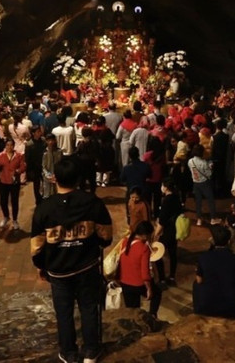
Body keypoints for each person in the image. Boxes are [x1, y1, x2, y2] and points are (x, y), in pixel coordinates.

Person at [31, 157, 113, 363]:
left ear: (55, 179)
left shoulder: (45, 208)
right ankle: (91, 351)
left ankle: (68, 352)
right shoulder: (92, 202)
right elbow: (106, 236)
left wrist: (41, 266)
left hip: (59, 271)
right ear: (78, 178)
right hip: (87, 266)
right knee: (88, 307)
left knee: (64, 312)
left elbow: (37, 246)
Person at [193, 225, 235, 321]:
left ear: (213, 241)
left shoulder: (203, 257)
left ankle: (197, 310)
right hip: (232, 308)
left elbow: (199, 280)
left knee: (196, 283)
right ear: (229, 241)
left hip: (206, 307)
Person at [117, 220, 163, 318]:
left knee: (132, 311)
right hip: (137, 284)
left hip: (124, 282)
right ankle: (152, 315)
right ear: (145, 235)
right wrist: (149, 289)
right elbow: (145, 273)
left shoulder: (125, 241)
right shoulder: (144, 248)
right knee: (157, 293)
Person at [155, 181, 183, 284]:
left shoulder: (166, 201)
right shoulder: (177, 198)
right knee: (172, 254)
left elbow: (162, 220)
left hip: (167, 231)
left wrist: (156, 234)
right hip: (175, 230)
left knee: (157, 254)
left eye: (162, 185)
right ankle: (172, 277)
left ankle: (162, 278)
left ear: (166, 187)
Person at [0, 139, 26, 231]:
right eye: (7, 145)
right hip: (3, 181)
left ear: (14, 146)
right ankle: (6, 216)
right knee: (3, 201)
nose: (9, 147)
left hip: (14, 183)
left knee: (14, 202)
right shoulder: (1, 155)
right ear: (5, 146)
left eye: (11, 145)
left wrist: (18, 171)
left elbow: (23, 167)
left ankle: (15, 220)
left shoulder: (19, 156)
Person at [189, 144, 217, 226]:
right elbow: (209, 174)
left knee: (198, 201)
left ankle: (199, 219)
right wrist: (210, 167)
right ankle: (213, 218)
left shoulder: (190, 161)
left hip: (195, 182)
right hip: (204, 183)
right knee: (210, 200)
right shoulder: (204, 162)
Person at [25, 125, 46, 207]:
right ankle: (38, 200)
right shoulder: (29, 144)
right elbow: (27, 158)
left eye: (40, 131)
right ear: (33, 133)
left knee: (45, 184)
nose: (40, 133)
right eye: (38, 132)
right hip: (35, 167)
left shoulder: (43, 141)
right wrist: (29, 170)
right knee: (36, 185)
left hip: (43, 166)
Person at [41, 133, 63, 199]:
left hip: (58, 177)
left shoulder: (59, 151)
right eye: (49, 140)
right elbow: (43, 167)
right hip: (47, 178)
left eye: (52, 140)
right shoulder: (45, 152)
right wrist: (49, 176)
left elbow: (61, 164)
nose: (50, 142)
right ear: (46, 141)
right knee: (48, 197)